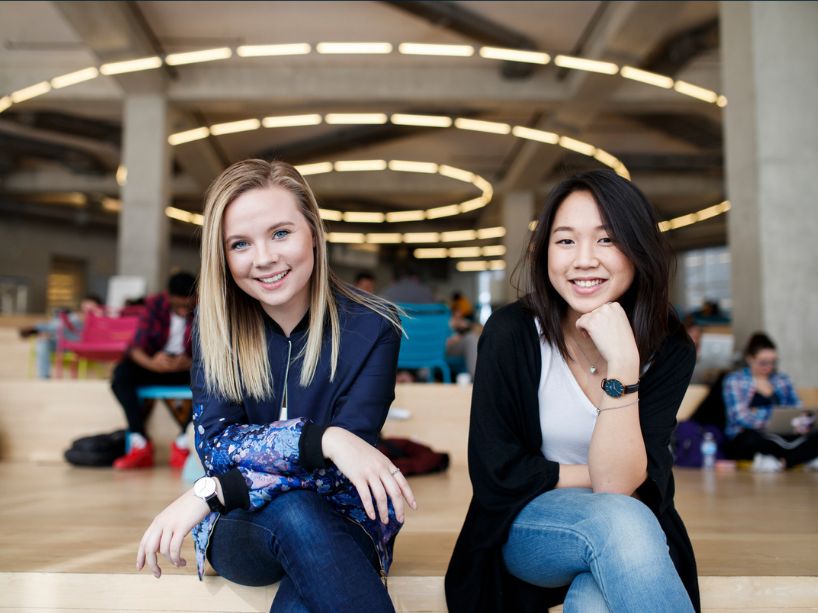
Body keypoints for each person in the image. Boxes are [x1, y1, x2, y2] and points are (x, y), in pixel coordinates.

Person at [136, 160, 416, 612]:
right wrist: (323, 438)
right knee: (294, 509)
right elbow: (216, 447)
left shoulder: (373, 326)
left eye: (281, 233)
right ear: (223, 256)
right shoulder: (215, 326)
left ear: (313, 232)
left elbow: (344, 468)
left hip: (344, 519)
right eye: (240, 244)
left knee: (305, 566)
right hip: (243, 527)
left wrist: (214, 491)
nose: (264, 258)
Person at [445, 169, 700, 612]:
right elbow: (497, 475)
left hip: (631, 532)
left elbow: (621, 484)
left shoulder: (669, 346)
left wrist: (622, 362)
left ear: (639, 250)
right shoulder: (512, 334)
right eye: (565, 241)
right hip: (529, 526)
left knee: (598, 598)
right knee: (621, 520)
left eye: (606, 240)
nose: (584, 259)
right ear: (545, 252)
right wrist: (595, 476)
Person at [111, 271, 197, 470]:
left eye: (188, 306)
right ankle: (139, 441)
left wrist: (190, 362)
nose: (184, 311)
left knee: (213, 380)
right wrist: (153, 363)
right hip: (154, 364)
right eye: (179, 306)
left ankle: (184, 441)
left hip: (188, 367)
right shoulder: (154, 306)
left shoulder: (204, 306)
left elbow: (214, 351)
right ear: (169, 297)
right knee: (121, 375)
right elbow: (134, 348)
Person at [722, 332, 818, 471]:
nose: (769, 367)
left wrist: (798, 422)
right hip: (752, 435)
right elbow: (741, 417)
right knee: (749, 441)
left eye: (773, 362)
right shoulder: (735, 380)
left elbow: (797, 410)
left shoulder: (783, 380)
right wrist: (774, 416)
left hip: (782, 434)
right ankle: (795, 459)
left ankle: (781, 461)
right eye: (763, 362)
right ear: (750, 359)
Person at [20, 295, 104, 379]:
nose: (86, 305)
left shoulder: (102, 317)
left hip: (82, 346)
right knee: (43, 342)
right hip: (63, 342)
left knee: (67, 321)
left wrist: (97, 318)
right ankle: (43, 376)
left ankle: (38, 328)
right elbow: (62, 329)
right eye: (85, 303)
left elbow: (101, 334)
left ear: (97, 305)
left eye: (90, 303)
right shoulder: (75, 315)